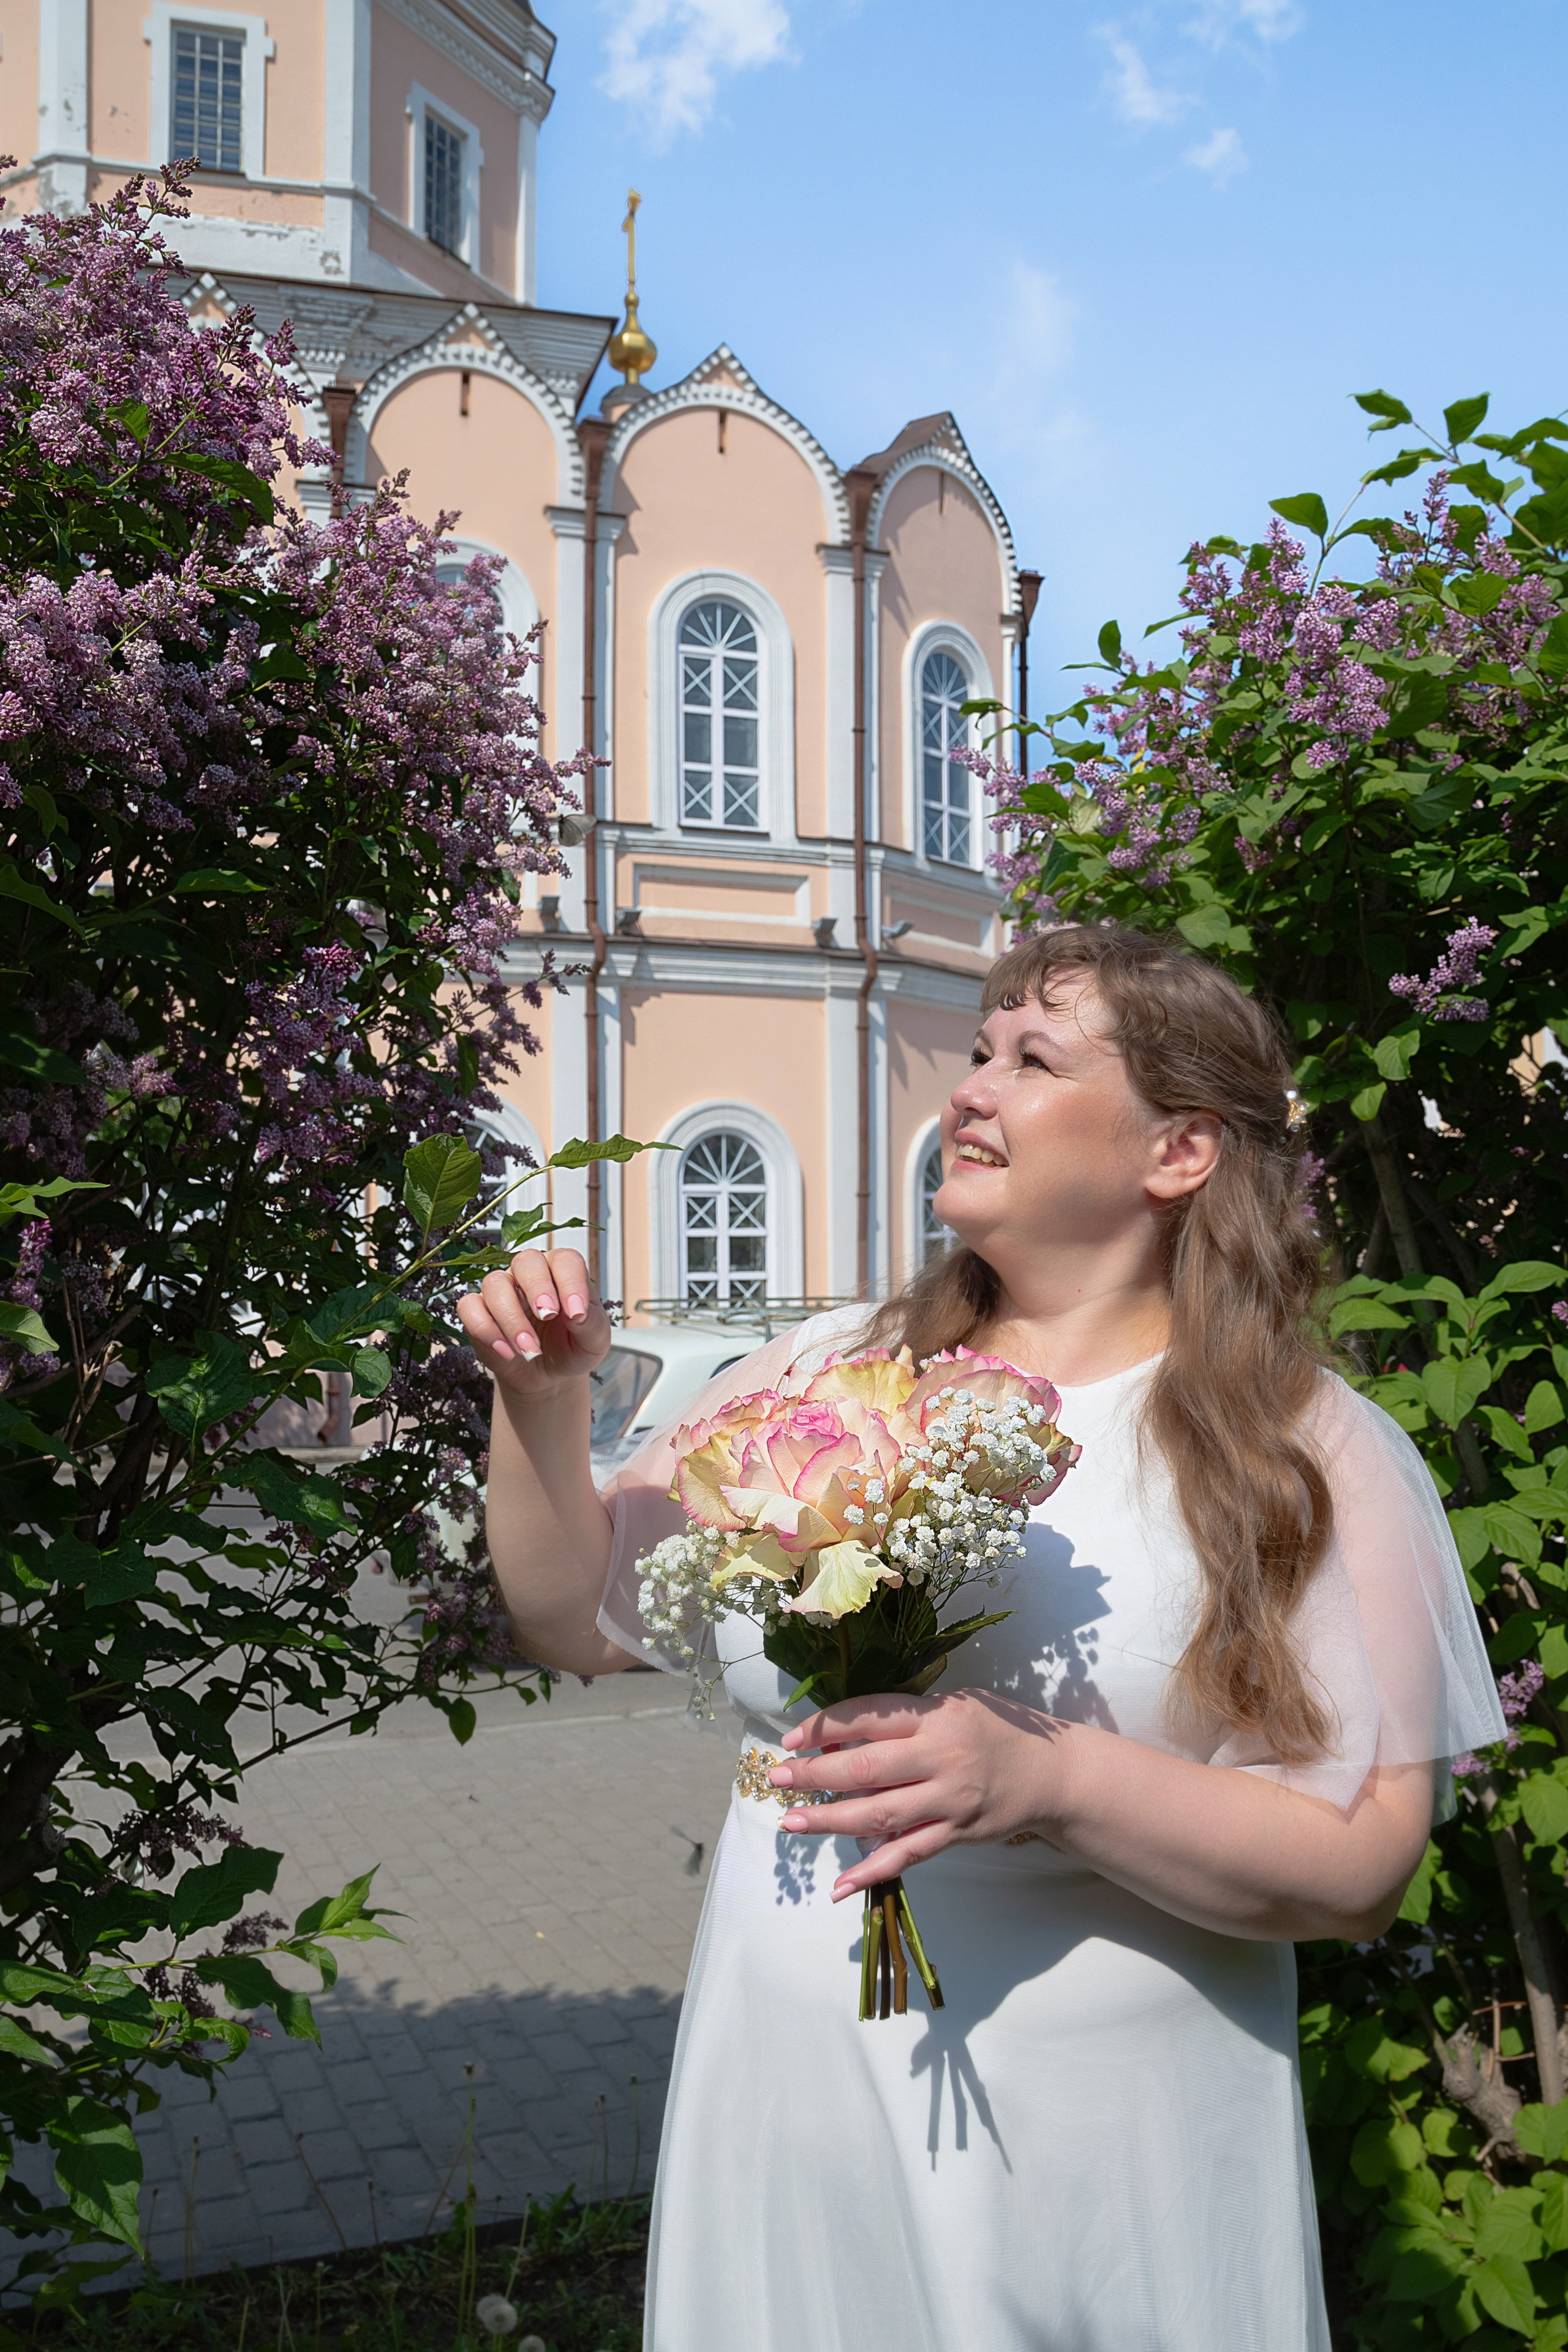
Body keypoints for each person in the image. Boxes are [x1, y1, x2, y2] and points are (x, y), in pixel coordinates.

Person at [457, 922, 1505, 2352]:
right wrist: (539, 1403)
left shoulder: (1296, 1447)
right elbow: (571, 1618)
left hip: (1093, 2143)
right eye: (977, 1051)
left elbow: (1365, 1864)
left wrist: (1051, 1784)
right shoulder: (830, 1370)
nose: (970, 1086)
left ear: (1177, 1153)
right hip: (792, 2098)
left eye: (1032, 1057)